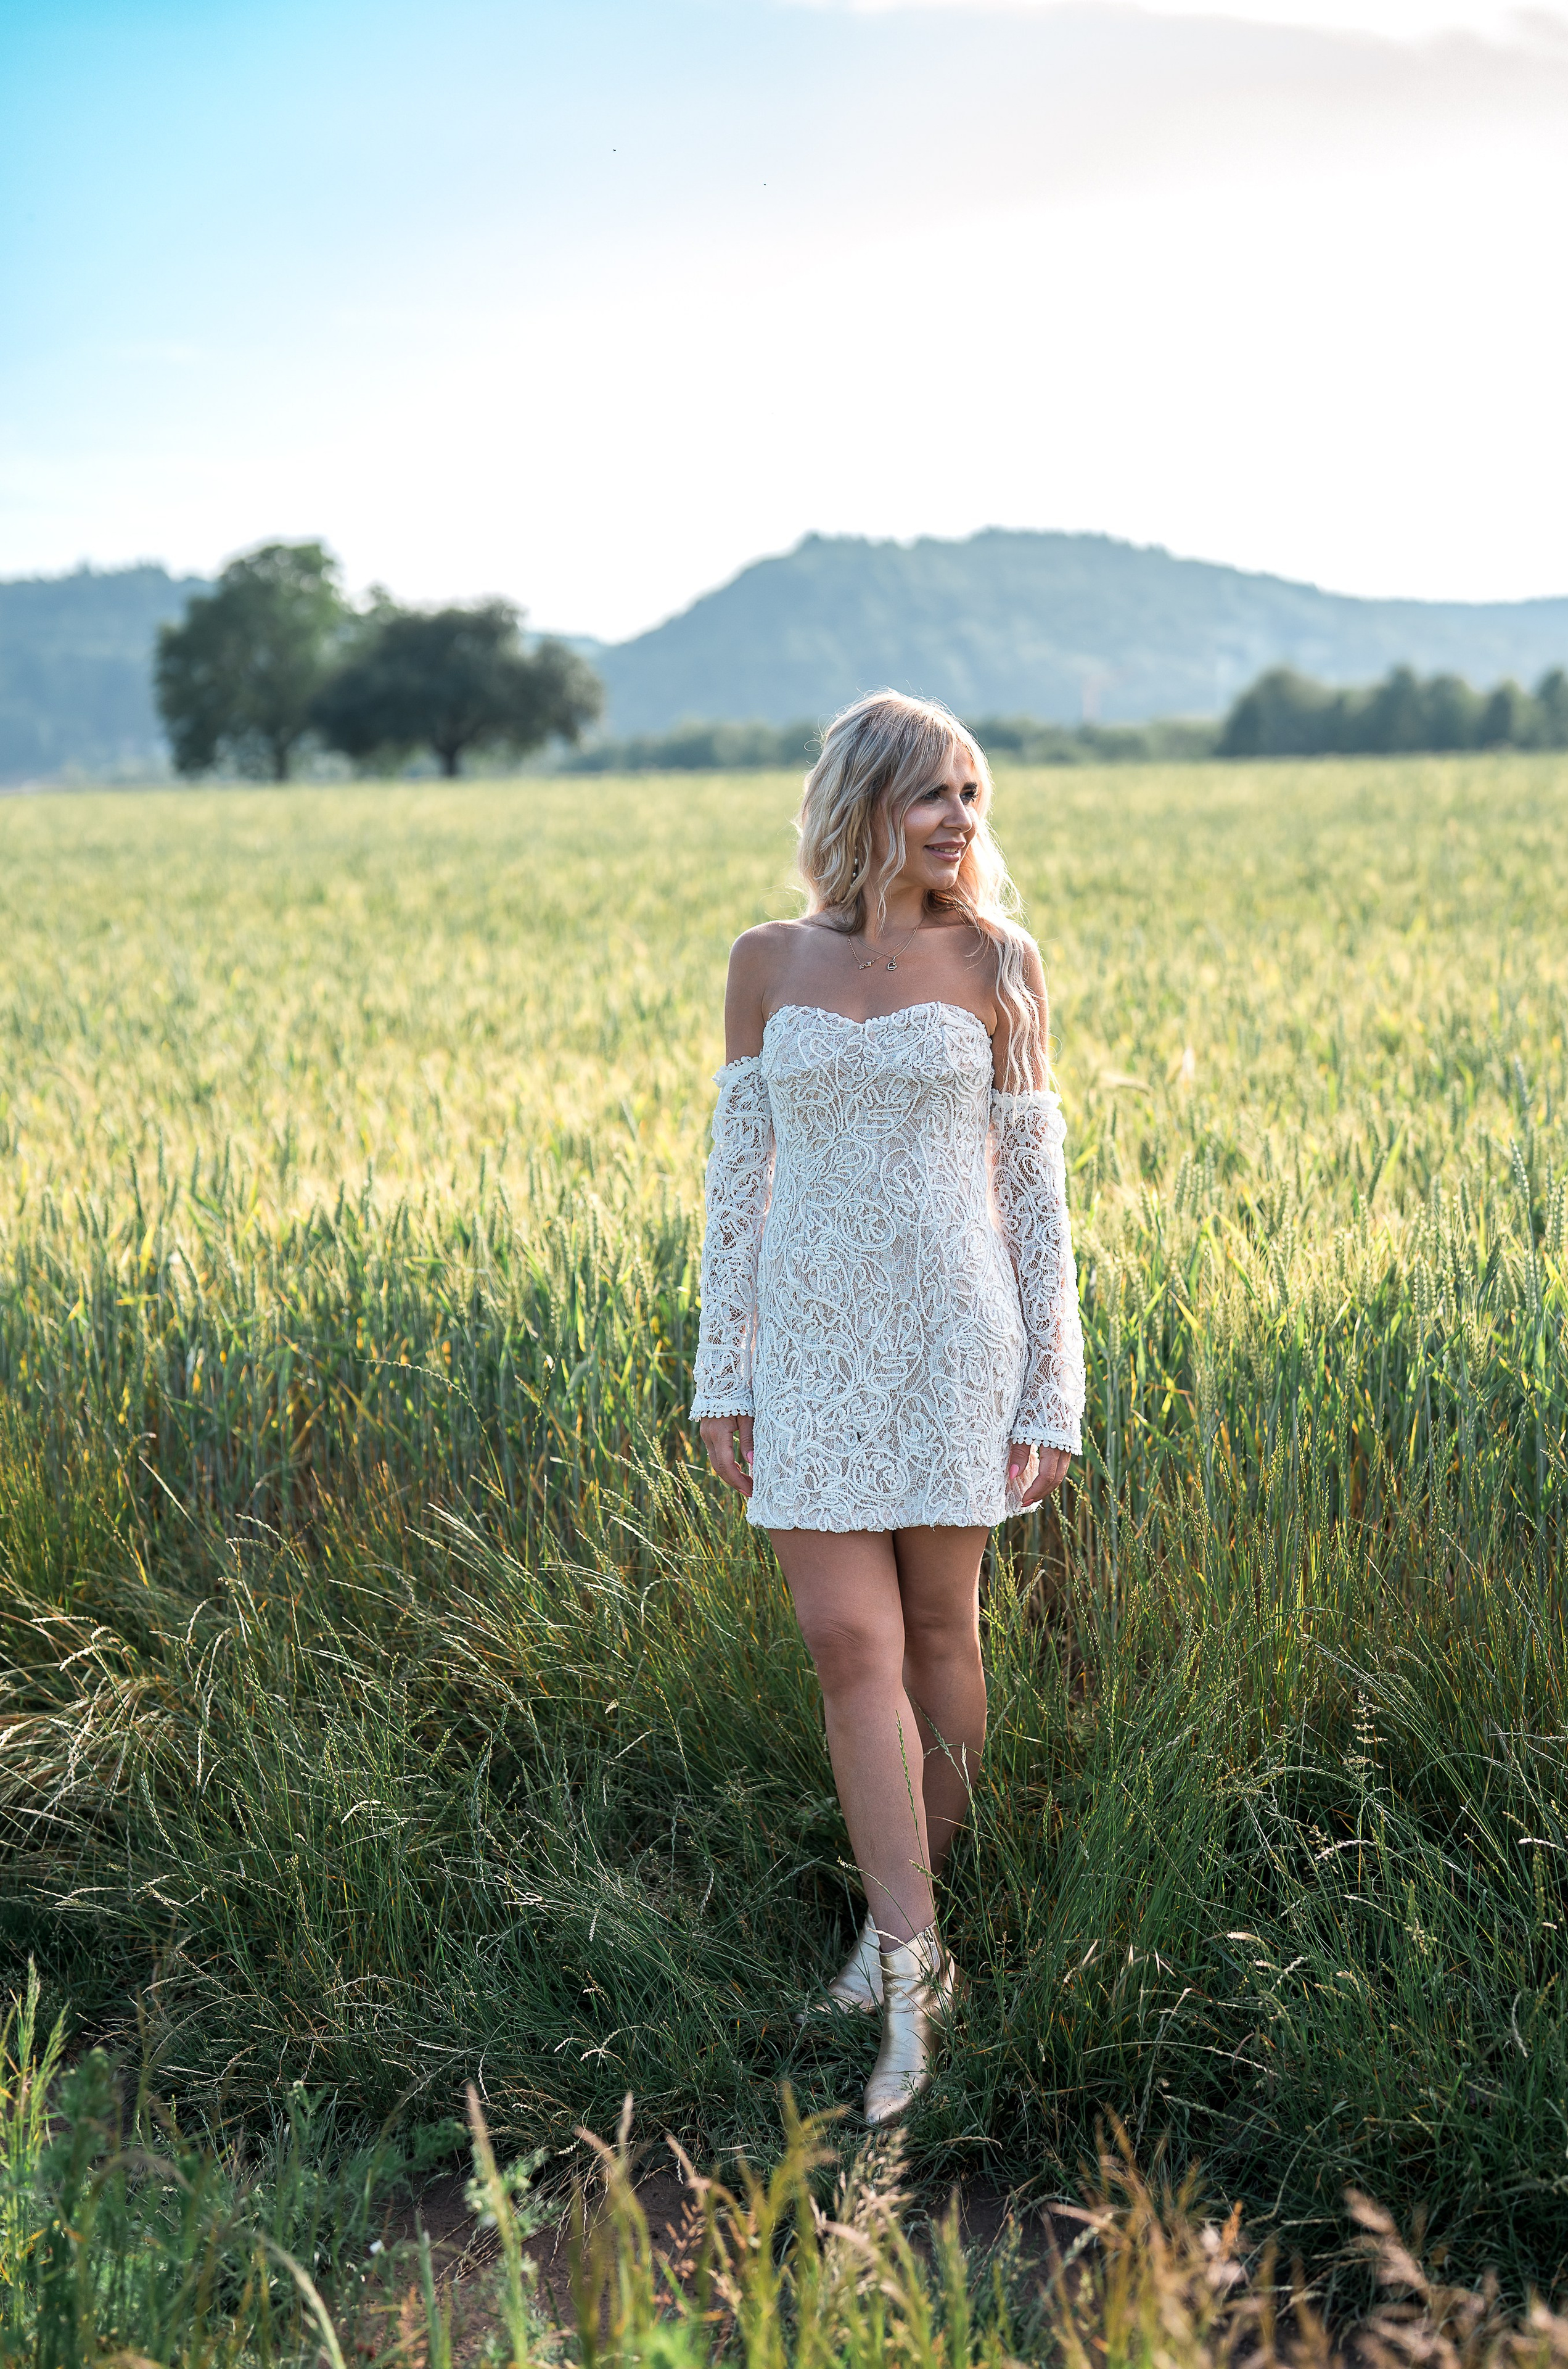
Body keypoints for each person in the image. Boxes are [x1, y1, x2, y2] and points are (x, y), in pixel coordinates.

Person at [691, 690, 1085, 2127]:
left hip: (952, 1337)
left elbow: (1032, 1192)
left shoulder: (999, 961)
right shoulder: (763, 962)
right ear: (861, 798)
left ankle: (891, 1932)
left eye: (972, 795)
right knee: (845, 1639)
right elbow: (738, 1182)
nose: (959, 821)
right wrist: (719, 1369)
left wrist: (1054, 1383)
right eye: (933, 793)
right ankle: (918, 1979)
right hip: (805, 1345)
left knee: (938, 1634)